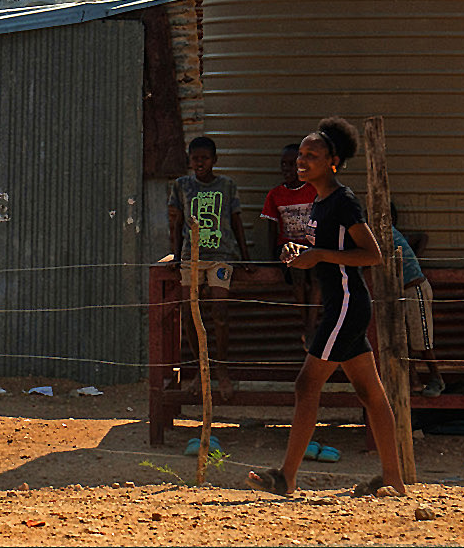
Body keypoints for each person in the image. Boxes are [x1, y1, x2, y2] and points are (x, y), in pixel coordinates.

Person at [247, 117, 406, 498]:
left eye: (311, 155)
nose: (302, 161)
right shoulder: (317, 201)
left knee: (307, 383)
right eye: (301, 154)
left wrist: (316, 253)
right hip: (341, 304)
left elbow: (372, 255)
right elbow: (329, 255)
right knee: (370, 392)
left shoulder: (343, 201)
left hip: (348, 305)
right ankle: (394, 480)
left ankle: (286, 477)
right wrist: (302, 253)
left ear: (333, 161)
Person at [168, 135, 251, 406]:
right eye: (195, 158)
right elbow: (175, 222)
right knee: (189, 313)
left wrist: (246, 256)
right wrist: (175, 256)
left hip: (222, 257)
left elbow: (236, 221)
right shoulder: (181, 186)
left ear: (214, 160)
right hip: (191, 258)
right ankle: (200, 370)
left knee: (220, 311)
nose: (199, 163)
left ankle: (222, 371)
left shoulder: (227, 186)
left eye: (205, 158)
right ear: (189, 160)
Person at [261, 143, 319, 332]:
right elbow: (271, 229)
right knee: (297, 271)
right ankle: (308, 326)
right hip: (288, 250)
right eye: (283, 164)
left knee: (318, 276)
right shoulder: (275, 195)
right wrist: (271, 259)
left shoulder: (314, 191)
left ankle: (310, 326)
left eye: (291, 164)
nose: (286, 168)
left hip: (313, 247)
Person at [390, 209, 444, 397]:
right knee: (404, 339)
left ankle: (436, 378)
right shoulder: (390, 235)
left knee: (422, 338)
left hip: (414, 289)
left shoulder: (387, 235)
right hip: (402, 291)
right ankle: (413, 381)